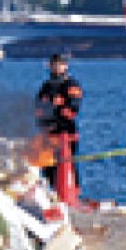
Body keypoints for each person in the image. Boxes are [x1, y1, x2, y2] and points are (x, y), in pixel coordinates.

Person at [35, 50, 82, 189]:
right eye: (54, 64)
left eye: (60, 64)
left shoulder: (71, 85)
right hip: (48, 135)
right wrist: (43, 123)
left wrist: (55, 114)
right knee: (48, 168)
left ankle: (72, 195)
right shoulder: (46, 87)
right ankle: (51, 194)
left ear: (65, 66)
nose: (56, 67)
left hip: (66, 135)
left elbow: (73, 109)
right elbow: (37, 108)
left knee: (68, 166)